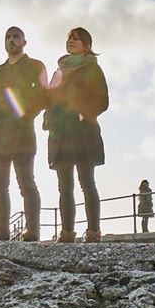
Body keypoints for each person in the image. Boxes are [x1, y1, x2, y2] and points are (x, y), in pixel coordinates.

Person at [45, 27, 109, 243]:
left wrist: (84, 114)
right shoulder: (59, 70)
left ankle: (93, 232)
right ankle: (67, 232)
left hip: (82, 131)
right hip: (60, 133)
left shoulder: (92, 68)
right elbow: (50, 98)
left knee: (86, 181)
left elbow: (102, 100)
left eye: (76, 39)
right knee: (64, 184)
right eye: (69, 38)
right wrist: (48, 119)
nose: (71, 41)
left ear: (87, 45)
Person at [0, 26, 47, 241]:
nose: (11, 40)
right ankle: (1, 232)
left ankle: (32, 231)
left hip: (23, 135)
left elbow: (42, 97)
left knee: (26, 184)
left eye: (16, 37)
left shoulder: (35, 66)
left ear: (24, 42)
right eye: (8, 37)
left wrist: (23, 116)